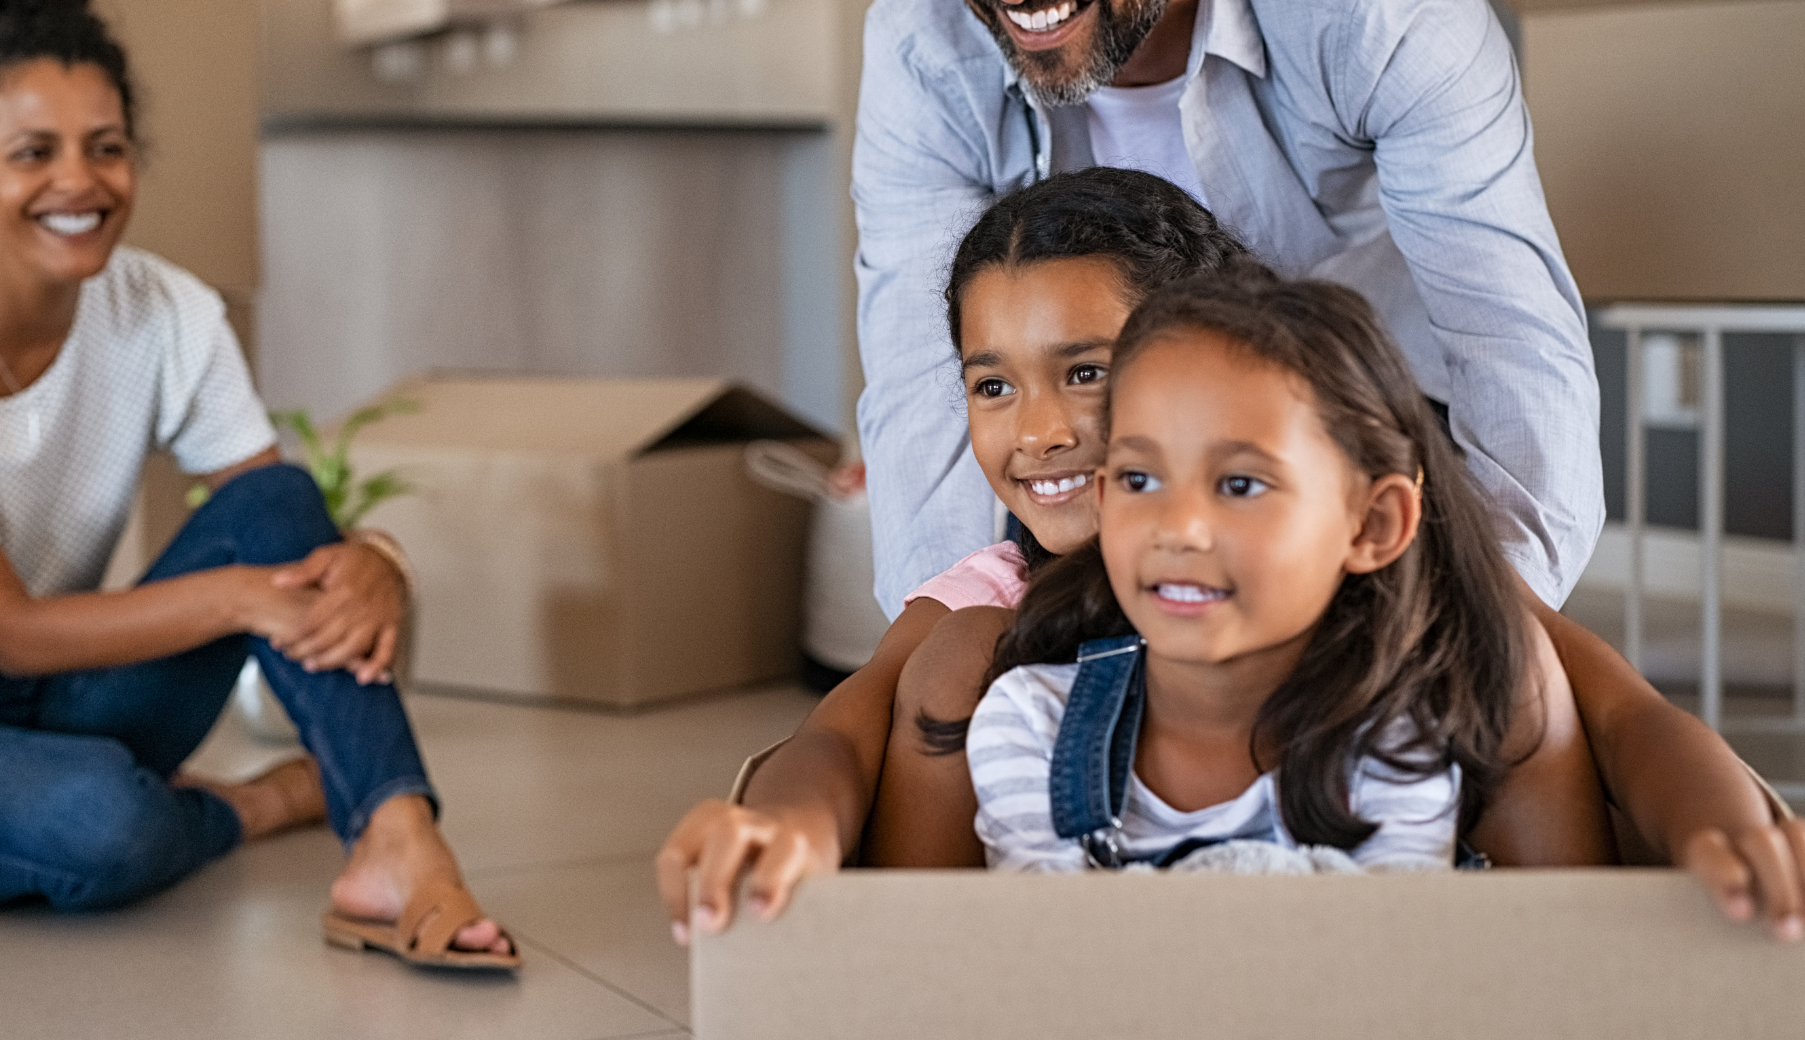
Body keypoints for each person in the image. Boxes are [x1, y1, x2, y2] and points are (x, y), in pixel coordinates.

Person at [658, 173, 1805, 934]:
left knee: (1514, 666)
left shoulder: (1394, 573)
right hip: (1079, 967)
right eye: (991, 384)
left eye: (1087, 371)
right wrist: (783, 828)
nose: (1040, 429)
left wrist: (1728, 827)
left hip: (1391, 954)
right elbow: (836, 737)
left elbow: (1624, 716)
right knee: (952, 663)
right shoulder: (986, 618)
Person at [854, 0, 1601, 638]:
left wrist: (1498, 626)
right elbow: (920, 373)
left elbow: (1506, 324)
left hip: (1362, 413)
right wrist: (941, 632)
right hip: (1088, 438)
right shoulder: (922, 47)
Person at [0, 0, 514, 969]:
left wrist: (376, 557)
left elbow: (270, 519)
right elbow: (10, 632)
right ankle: (253, 806)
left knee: (278, 499)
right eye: (32, 152)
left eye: (106, 147)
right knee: (106, 824)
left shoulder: (165, 309)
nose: (78, 182)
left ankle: (396, 839)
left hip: (69, 688)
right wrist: (242, 598)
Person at [970, 267, 1524, 873]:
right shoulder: (1031, 726)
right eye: (1140, 480)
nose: (1177, 528)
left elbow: (1379, 935)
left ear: (1372, 525)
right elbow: (1050, 936)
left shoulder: (1395, 745)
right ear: (1104, 500)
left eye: (1240, 485)